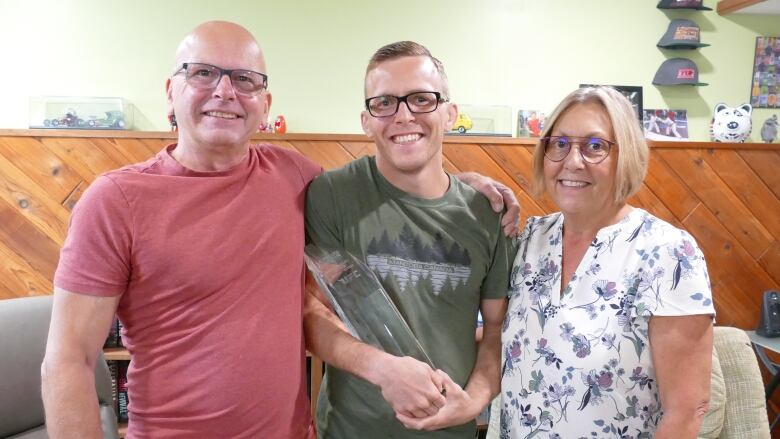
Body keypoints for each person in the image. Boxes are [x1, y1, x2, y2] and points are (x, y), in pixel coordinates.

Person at [41, 22, 519, 439]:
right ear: (171, 90)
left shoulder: (293, 177)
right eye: (203, 72)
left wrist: (470, 187)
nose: (225, 92)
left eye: (244, 79)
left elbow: (402, 176)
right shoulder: (113, 201)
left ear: (264, 103)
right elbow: (68, 363)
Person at [304, 41, 517, 438]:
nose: (403, 116)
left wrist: (472, 402)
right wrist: (382, 370)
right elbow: (311, 313)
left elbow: (497, 330)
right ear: (366, 121)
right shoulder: (331, 196)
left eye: (421, 99)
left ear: (450, 113)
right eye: (384, 103)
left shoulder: (488, 215)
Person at [496, 86, 714, 438]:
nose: (572, 161)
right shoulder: (528, 241)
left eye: (595, 146)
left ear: (625, 155)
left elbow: (687, 412)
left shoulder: (668, 253)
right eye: (560, 143)